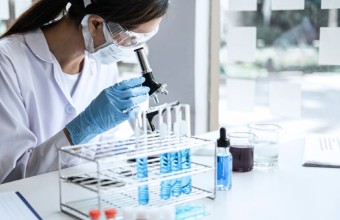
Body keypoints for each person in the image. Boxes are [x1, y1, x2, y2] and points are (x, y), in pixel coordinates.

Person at [0, 0, 169, 183]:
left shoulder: (100, 62)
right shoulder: (7, 62)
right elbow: (12, 177)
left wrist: (139, 154)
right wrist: (83, 128)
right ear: (95, 24)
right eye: (132, 39)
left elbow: (108, 149)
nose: (134, 49)